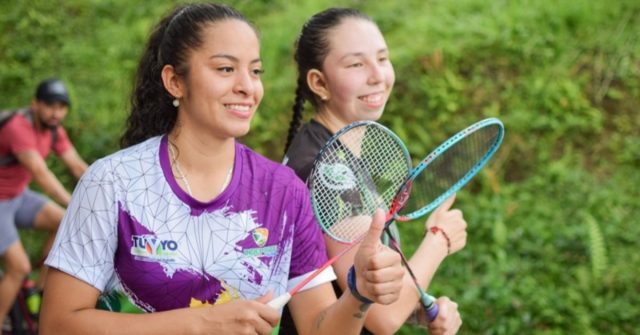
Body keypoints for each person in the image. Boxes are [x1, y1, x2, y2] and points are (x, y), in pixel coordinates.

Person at [40, 3, 405, 335]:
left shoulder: (285, 191)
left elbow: (318, 328)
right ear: (174, 81)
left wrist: (358, 296)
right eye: (226, 69)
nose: (247, 86)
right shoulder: (111, 182)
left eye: (255, 70)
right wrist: (199, 322)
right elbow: (58, 324)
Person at [282, 8, 468, 335]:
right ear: (319, 82)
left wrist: (418, 311)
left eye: (382, 59)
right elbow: (383, 317)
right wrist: (439, 240)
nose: (377, 75)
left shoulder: (331, 150)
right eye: (356, 64)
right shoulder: (327, 172)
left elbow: (362, 297)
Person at [0, 78, 88, 325]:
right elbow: (41, 174)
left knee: (65, 223)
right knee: (18, 267)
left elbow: (78, 165)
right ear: (35, 104)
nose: (56, 112)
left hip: (18, 196)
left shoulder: (54, 130)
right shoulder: (18, 127)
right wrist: (77, 204)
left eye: (61, 107)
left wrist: (105, 192)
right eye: (50, 106)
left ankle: (39, 289)